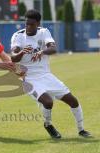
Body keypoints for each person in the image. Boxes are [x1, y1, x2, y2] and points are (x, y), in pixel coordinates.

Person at [11, 10, 91, 138]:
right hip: (29, 78)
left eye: (31, 24)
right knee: (48, 102)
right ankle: (48, 125)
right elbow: (13, 58)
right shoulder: (18, 36)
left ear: (37, 23)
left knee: (73, 101)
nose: (28, 27)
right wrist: (22, 52)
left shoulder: (44, 32)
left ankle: (81, 129)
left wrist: (42, 52)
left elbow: (53, 48)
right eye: (26, 24)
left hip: (46, 75)